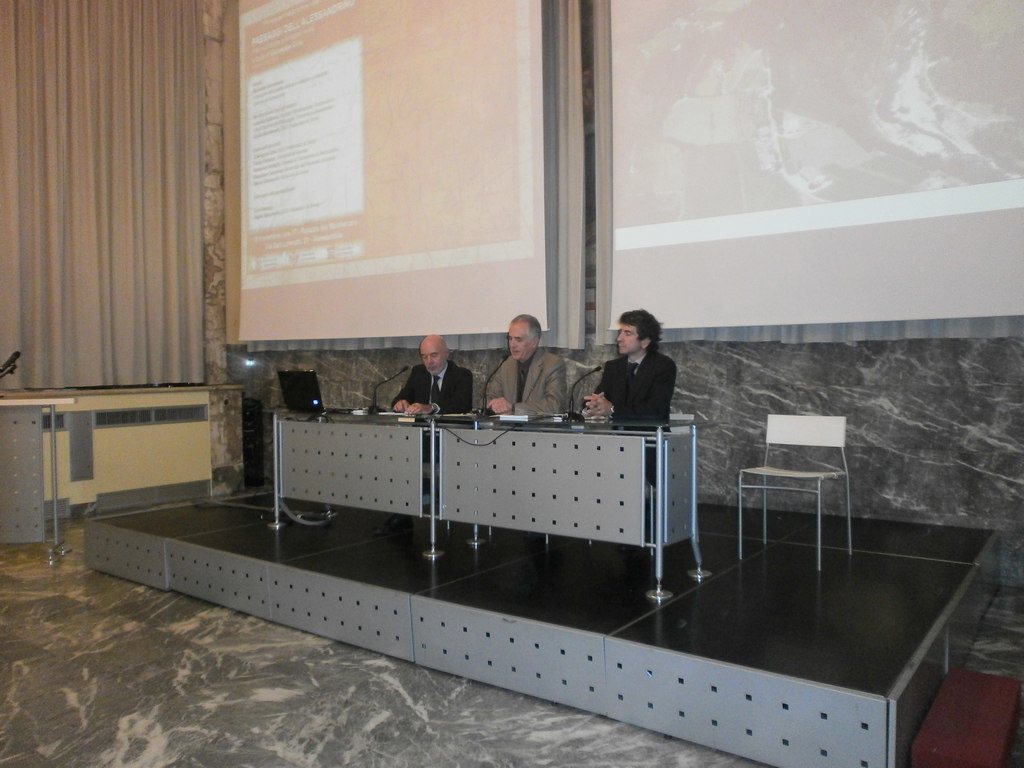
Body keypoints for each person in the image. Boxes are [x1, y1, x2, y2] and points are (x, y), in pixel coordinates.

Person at [584, 309, 676, 421]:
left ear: (645, 342)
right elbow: (599, 396)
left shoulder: (663, 366)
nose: (619, 339)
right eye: (620, 332)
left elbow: (655, 410)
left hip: (651, 436)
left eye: (627, 333)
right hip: (618, 436)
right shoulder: (613, 367)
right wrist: (593, 405)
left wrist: (613, 409)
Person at [486, 314, 566, 416]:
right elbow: (489, 399)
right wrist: (495, 404)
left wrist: (513, 407)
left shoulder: (552, 364)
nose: (512, 345)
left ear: (534, 342)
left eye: (518, 339)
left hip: (539, 429)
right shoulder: (506, 364)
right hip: (506, 428)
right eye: (510, 338)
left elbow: (555, 405)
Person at [392, 335, 473, 415]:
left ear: (446, 353)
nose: (429, 361)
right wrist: (400, 403)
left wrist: (432, 407)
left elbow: (462, 405)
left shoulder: (461, 375)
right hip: (421, 427)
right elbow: (402, 397)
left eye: (434, 355)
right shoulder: (418, 373)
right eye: (424, 357)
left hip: (450, 427)